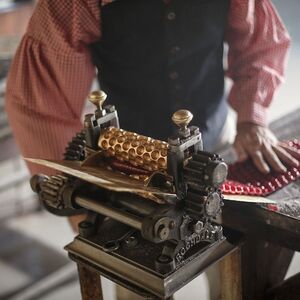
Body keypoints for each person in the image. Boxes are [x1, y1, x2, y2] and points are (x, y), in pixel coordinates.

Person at [4, 1, 300, 299]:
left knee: (234, 274)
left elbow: (261, 42)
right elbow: (42, 102)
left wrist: (252, 119)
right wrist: (77, 193)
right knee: (138, 285)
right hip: (129, 174)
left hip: (214, 148)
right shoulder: (75, 4)